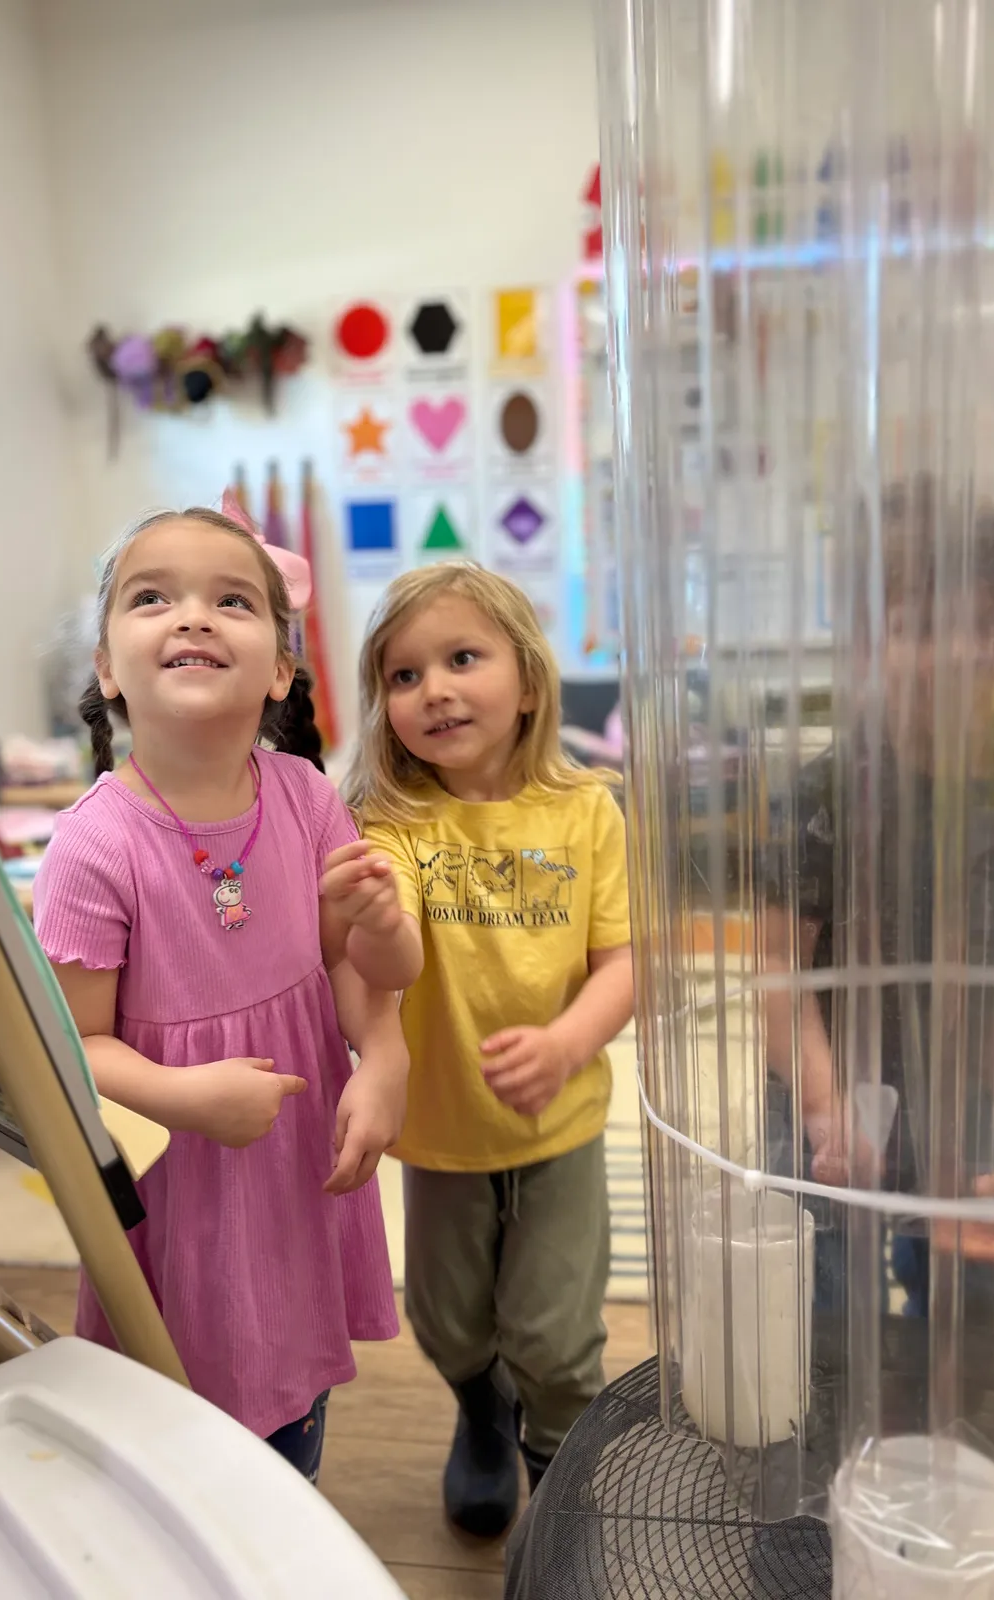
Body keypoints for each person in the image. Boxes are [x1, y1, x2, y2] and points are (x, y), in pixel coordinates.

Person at [33, 499, 416, 1482]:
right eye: (153, 596)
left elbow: (361, 969)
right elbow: (77, 1043)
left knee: (291, 1389)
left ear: (280, 668)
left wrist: (381, 1053)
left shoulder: (307, 795)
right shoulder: (95, 843)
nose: (194, 616)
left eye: (232, 599)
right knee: (187, 1411)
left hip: (298, 1162)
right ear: (109, 667)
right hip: (181, 1183)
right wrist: (188, 1096)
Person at [344, 561, 634, 1538]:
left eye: (462, 657)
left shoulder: (588, 807)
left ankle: (558, 1458)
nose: (434, 688)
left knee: (555, 1332)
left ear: (529, 683)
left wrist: (566, 1041)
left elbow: (624, 962)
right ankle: (481, 1410)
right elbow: (387, 959)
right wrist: (375, 917)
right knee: (449, 1320)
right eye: (404, 674)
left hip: (560, 1123)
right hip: (441, 1133)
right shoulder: (395, 819)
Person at [761, 477, 994, 1319]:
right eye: (920, 629)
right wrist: (821, 1105)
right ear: (868, 643)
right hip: (825, 1090)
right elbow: (777, 972)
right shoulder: (825, 791)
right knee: (826, 1302)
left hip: (951, 1090)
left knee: (973, 1298)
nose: (956, 655)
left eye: (985, 626)